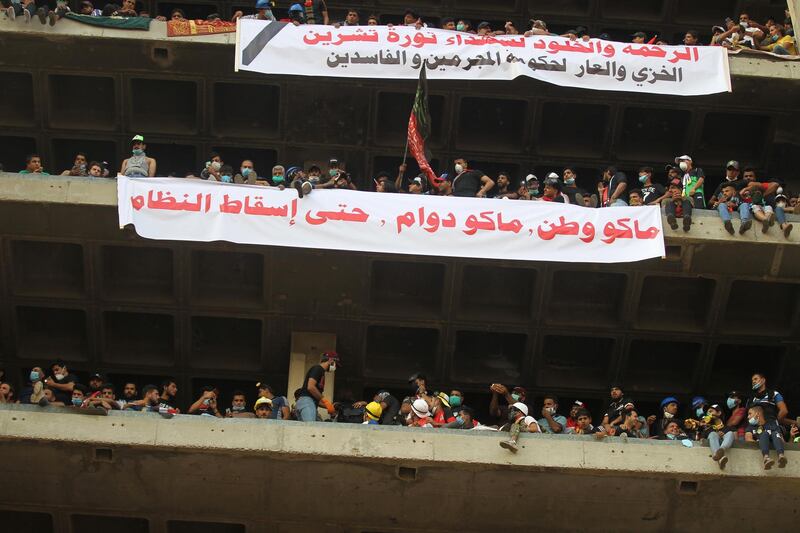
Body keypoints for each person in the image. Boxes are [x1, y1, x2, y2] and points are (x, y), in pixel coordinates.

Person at [296, 351, 339, 422]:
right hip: (307, 402)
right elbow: (310, 387)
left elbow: (316, 398)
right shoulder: (317, 369)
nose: (335, 366)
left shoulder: (321, 372)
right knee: (311, 428)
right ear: (331, 360)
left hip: (309, 403)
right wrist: (325, 400)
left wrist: (329, 406)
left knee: (316, 428)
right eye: (335, 364)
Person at [745, 405, 787, 469]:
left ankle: (781, 456)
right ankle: (766, 458)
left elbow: (782, 440)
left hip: (776, 442)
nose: (748, 417)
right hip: (761, 446)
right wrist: (758, 442)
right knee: (764, 434)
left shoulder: (772, 424)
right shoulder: (750, 427)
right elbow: (748, 439)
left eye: (750, 414)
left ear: (757, 414)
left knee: (775, 433)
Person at [703, 404, 734, 469]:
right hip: (712, 435)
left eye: (711, 411)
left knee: (730, 433)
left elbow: (735, 439)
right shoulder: (708, 428)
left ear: (719, 413)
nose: (708, 414)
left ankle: (721, 450)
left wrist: (723, 435)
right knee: (713, 434)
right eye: (707, 413)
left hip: (724, 446)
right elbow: (702, 438)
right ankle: (718, 456)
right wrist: (716, 434)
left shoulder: (727, 428)